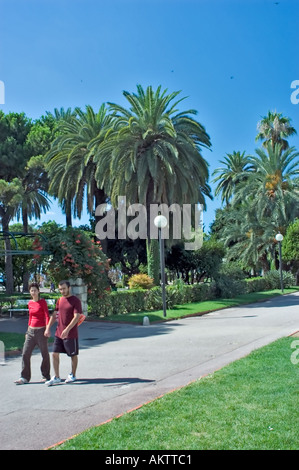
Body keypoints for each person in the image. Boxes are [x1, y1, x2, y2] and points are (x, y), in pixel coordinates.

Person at [45, 280, 82, 386]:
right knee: (54, 354)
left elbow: (76, 317)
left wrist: (67, 329)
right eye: (60, 289)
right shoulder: (60, 300)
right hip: (59, 333)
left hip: (71, 334)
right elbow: (54, 315)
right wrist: (48, 328)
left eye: (64, 289)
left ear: (69, 288)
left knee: (73, 355)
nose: (62, 291)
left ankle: (73, 375)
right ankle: (56, 377)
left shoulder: (75, 301)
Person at [15, 283, 51, 385]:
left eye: (35, 290)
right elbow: (30, 318)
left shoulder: (42, 302)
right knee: (25, 353)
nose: (33, 292)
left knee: (44, 354)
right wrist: (27, 331)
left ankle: (46, 376)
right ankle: (24, 377)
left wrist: (47, 329)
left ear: (38, 291)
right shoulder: (30, 303)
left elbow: (47, 316)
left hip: (41, 331)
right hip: (31, 331)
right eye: (31, 291)